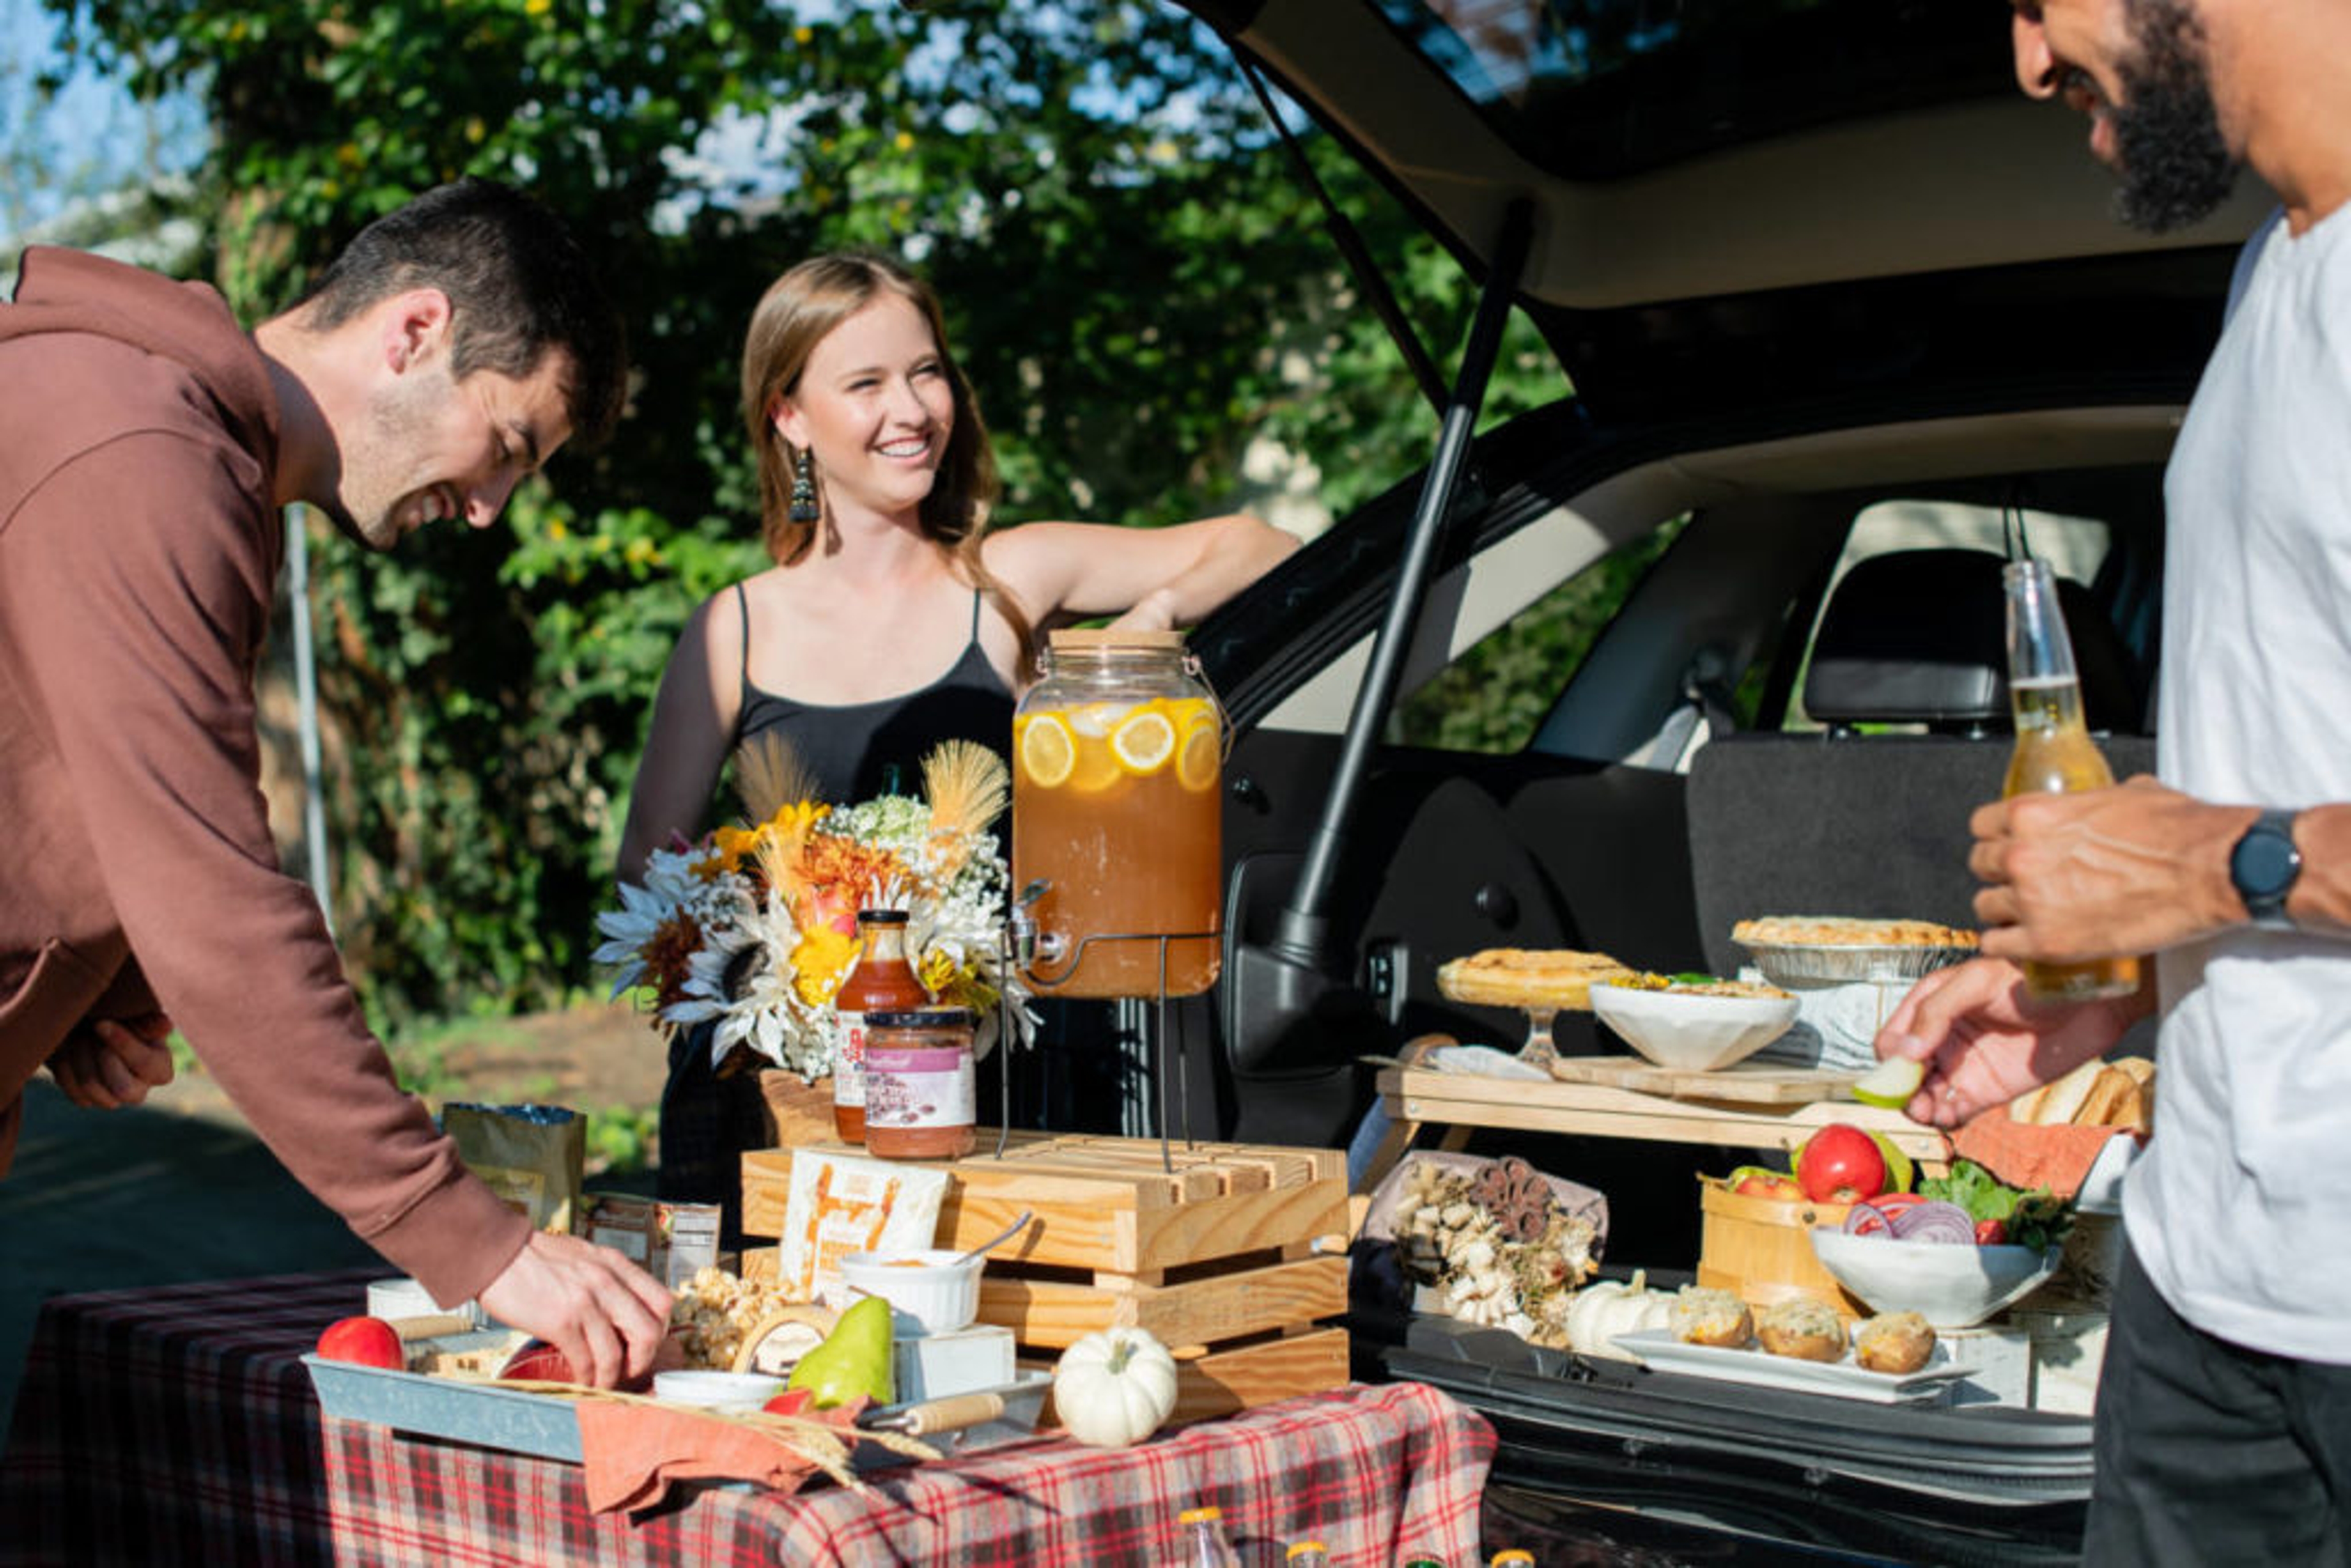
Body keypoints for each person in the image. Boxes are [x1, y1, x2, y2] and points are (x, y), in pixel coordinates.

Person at [0, 178, 671, 1389]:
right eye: (506, 447)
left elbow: (78, 781)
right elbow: (213, 892)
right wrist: (477, 1242)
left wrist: (80, 996)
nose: (486, 510)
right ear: (415, 331)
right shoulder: (146, 448)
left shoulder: (190, 454)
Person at [1875, 2, 2351, 1558]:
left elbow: (2252, 845)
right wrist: (2136, 983)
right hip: (2210, 1298)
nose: (2023, 58)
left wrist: (2220, 871)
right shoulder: (2277, 275)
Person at [613, 252, 1297, 1230]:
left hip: (1011, 1098)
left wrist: (1137, 634)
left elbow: (1261, 547)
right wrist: (783, 951)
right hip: (795, 1115)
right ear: (789, 417)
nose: (914, 408)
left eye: (927, 371)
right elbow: (646, 878)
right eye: (867, 383)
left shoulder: (1009, 581)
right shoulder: (734, 630)